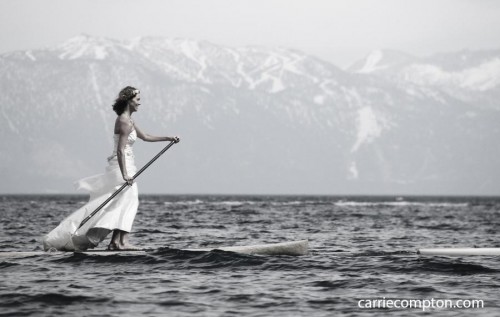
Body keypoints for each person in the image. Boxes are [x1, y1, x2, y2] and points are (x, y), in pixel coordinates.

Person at [42, 86, 180, 251]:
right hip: (121, 166)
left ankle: (118, 242)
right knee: (129, 200)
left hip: (127, 165)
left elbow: (146, 136)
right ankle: (119, 242)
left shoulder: (130, 121)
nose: (140, 103)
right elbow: (121, 150)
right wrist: (125, 175)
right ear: (129, 101)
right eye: (137, 100)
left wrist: (168, 138)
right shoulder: (124, 121)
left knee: (123, 202)